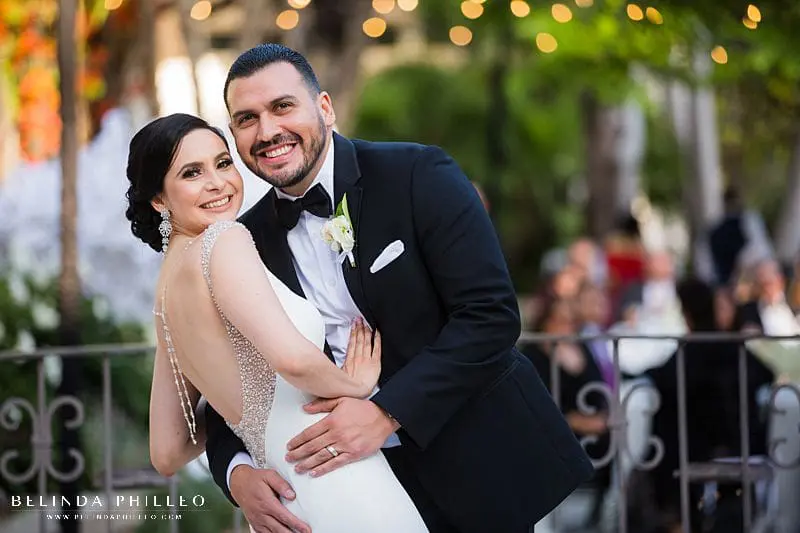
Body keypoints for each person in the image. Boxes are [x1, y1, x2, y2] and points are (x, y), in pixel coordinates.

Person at [168, 43, 592, 533]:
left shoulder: (417, 174)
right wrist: (236, 472)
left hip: (474, 466)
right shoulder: (240, 242)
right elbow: (236, 381)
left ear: (324, 108)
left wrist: (386, 413)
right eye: (246, 119)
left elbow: (490, 315)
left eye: (282, 106)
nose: (268, 131)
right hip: (345, 493)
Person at [125, 113, 429, 532]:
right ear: (158, 198)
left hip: (283, 495)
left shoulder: (164, 297)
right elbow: (293, 360)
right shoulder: (224, 240)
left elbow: (167, 450)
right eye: (192, 173)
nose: (217, 182)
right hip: (336, 473)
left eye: (223, 163)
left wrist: (251, 429)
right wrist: (356, 386)